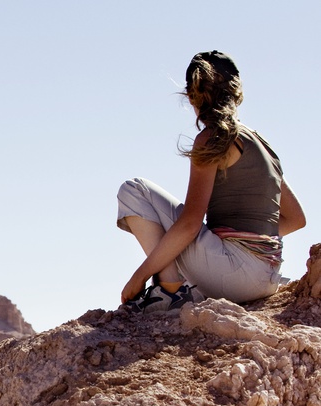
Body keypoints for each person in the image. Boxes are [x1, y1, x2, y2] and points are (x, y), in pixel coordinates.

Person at [117, 50, 306, 313]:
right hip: (267, 277)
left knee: (134, 190)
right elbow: (297, 219)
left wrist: (139, 276)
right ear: (236, 92)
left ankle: (169, 290)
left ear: (193, 96)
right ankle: (186, 288)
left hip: (235, 274)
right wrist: (251, 242)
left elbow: (191, 223)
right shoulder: (261, 143)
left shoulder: (213, 139)